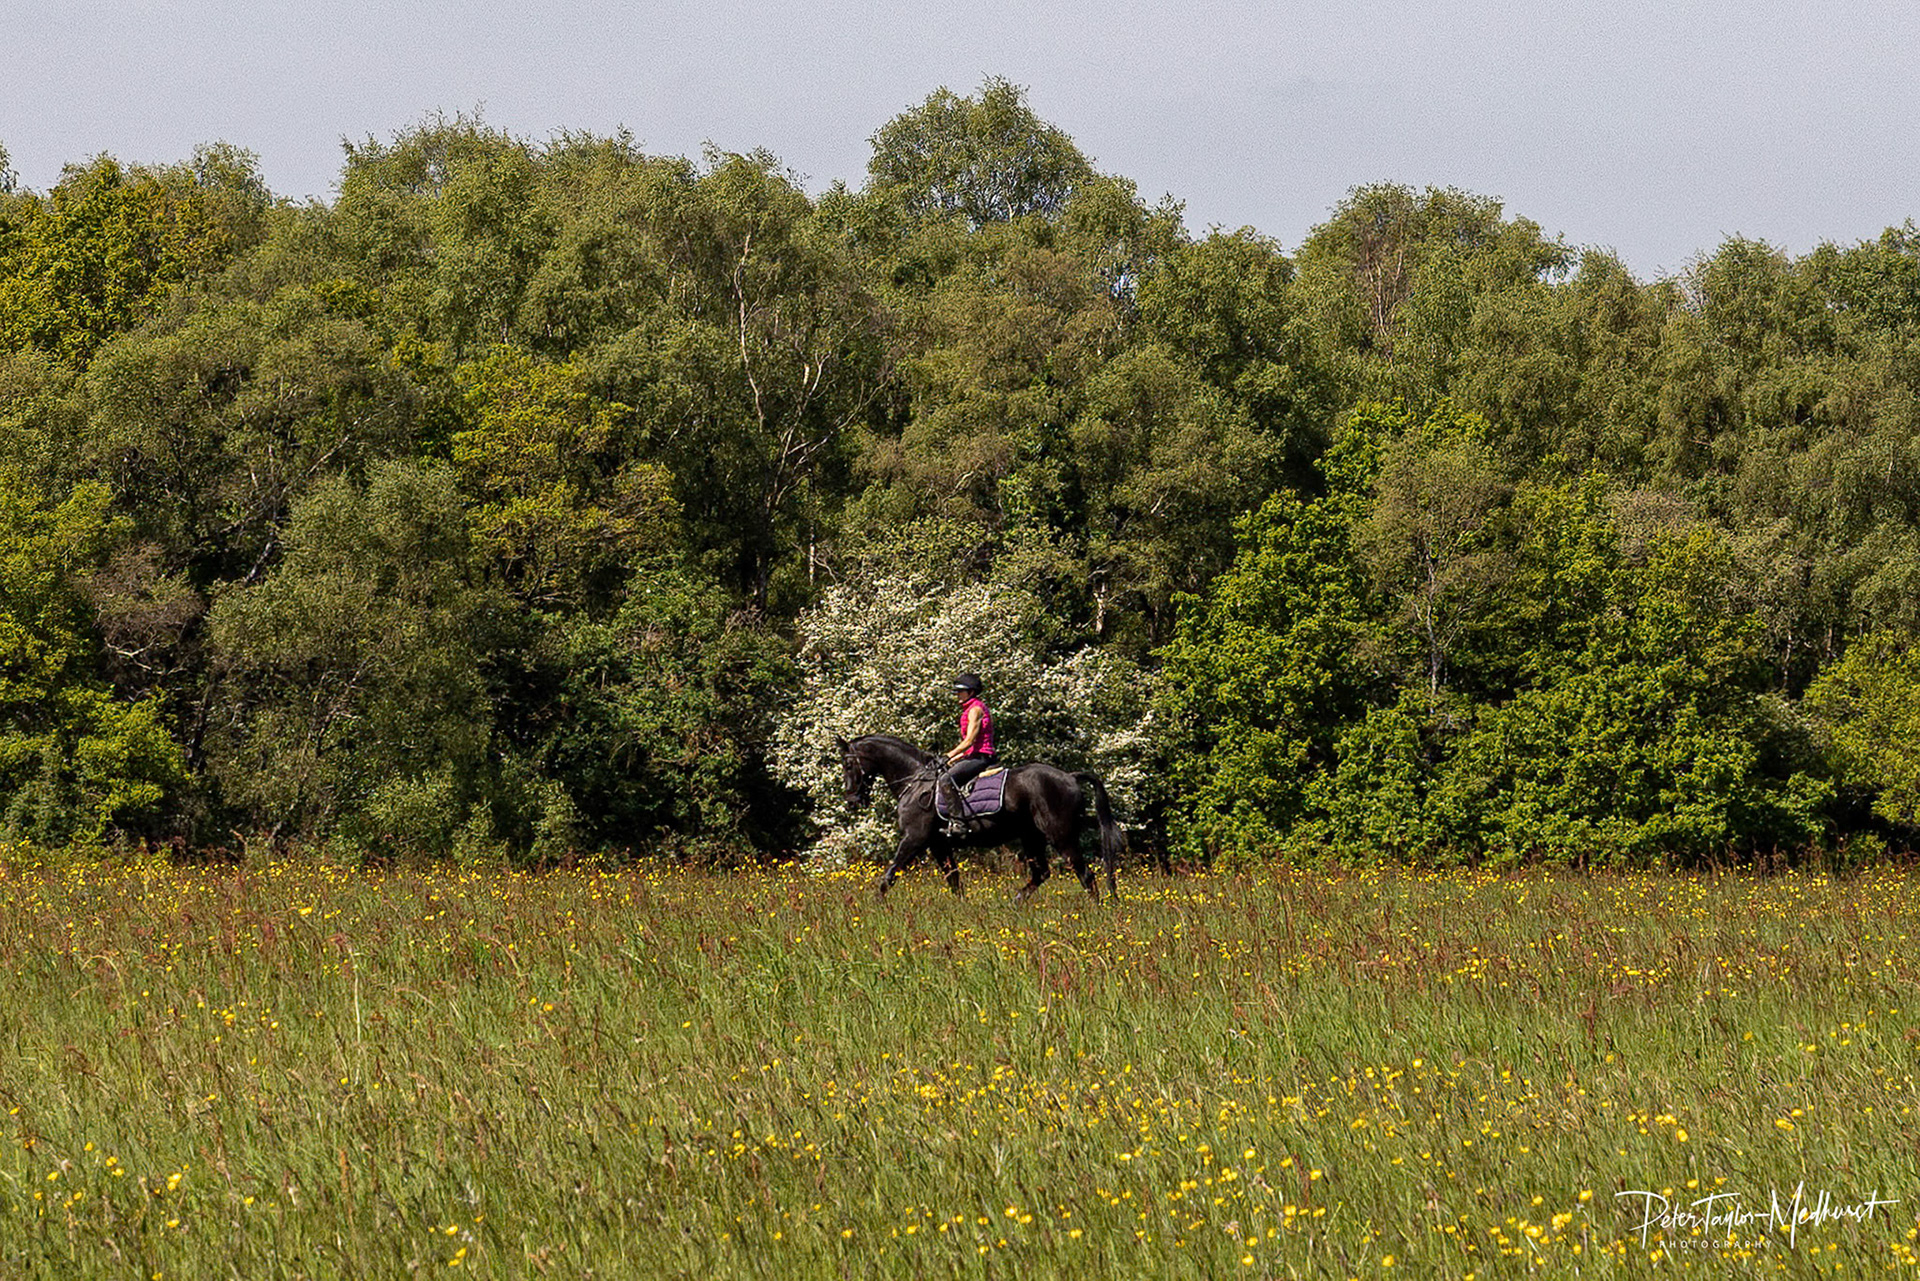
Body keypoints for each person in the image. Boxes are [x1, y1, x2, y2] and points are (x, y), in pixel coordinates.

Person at [939, 673, 996, 834]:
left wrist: (949, 755)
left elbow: (970, 740)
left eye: (960, 691)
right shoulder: (969, 709)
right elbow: (969, 748)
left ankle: (959, 824)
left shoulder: (975, 710)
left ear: (971, 692)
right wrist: (952, 759)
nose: (957, 694)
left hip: (982, 756)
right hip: (973, 755)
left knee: (946, 780)